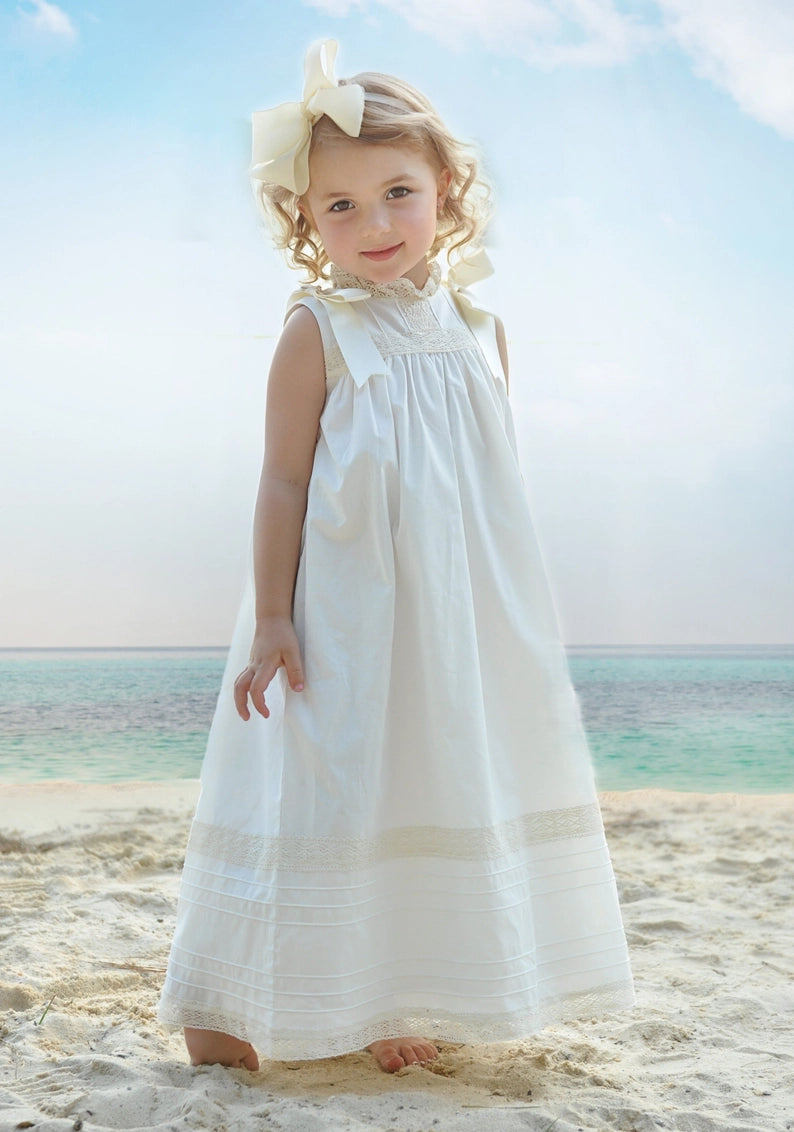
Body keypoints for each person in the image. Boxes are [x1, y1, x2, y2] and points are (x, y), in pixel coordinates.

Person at [158, 40, 634, 1074]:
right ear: (302, 219)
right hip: (339, 603)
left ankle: (394, 991)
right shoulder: (317, 333)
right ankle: (227, 1005)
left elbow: (476, 480)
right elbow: (283, 480)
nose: (373, 225)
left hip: (447, 611)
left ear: (447, 189)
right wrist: (275, 616)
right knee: (326, 785)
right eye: (340, 206)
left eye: (397, 193)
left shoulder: (480, 328)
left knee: (431, 777)